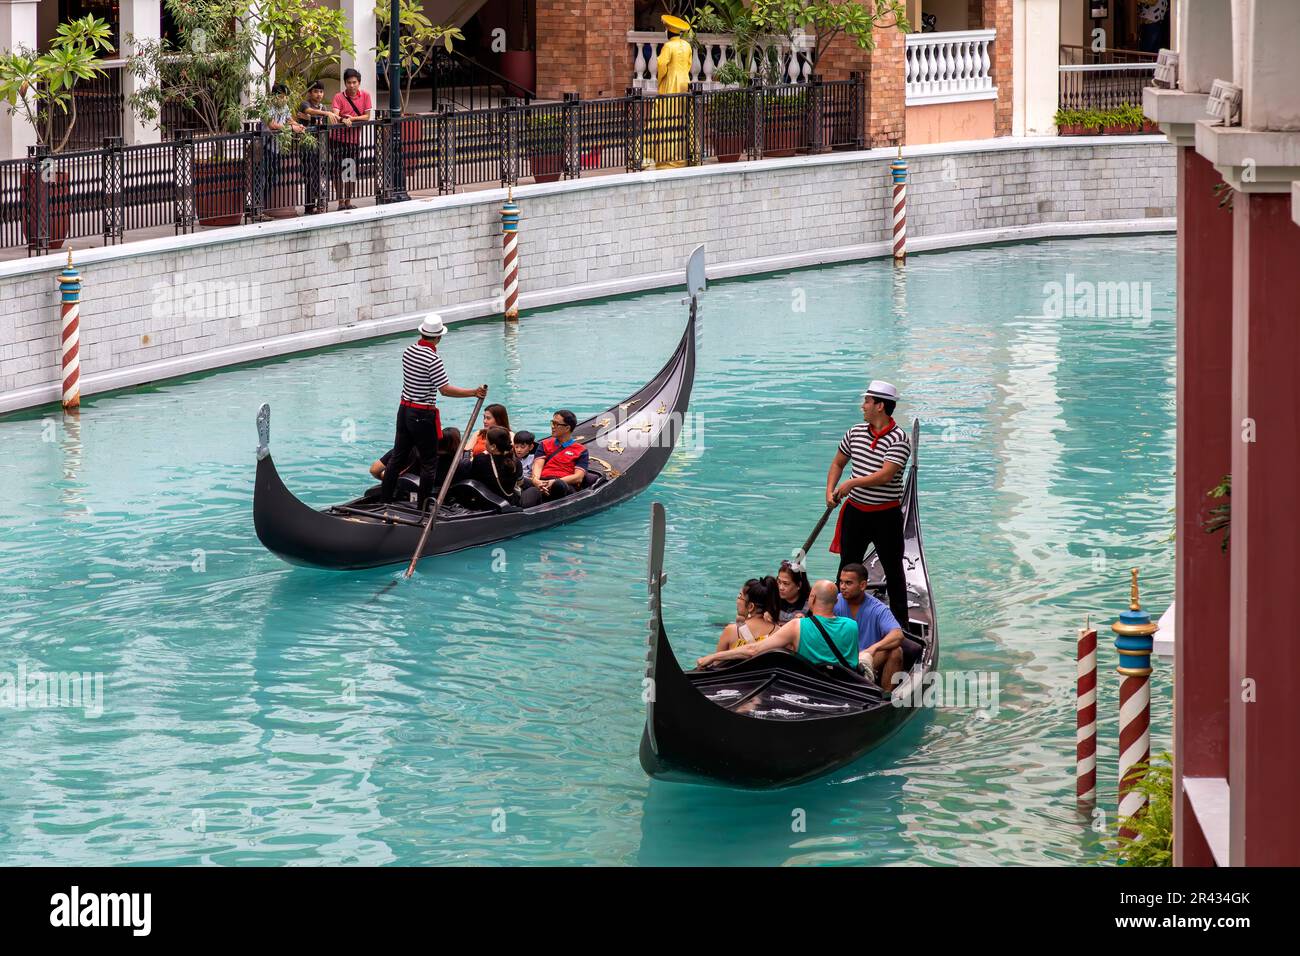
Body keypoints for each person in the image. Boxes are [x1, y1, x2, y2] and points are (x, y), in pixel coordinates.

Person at [826, 379, 912, 629]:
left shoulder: (899, 439)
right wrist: (830, 490)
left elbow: (885, 475)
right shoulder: (854, 432)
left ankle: (901, 626)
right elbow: (838, 463)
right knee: (846, 568)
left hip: (886, 516)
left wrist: (851, 484)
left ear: (880, 406)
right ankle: (837, 620)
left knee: (894, 571)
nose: (862, 406)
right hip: (856, 514)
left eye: (867, 401)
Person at [379, 313, 487, 508]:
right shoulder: (433, 359)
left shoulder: (408, 351)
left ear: (422, 332)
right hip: (422, 414)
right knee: (430, 462)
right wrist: (473, 392)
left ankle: (385, 499)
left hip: (404, 410)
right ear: (438, 337)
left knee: (398, 457)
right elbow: (445, 390)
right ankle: (423, 506)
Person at [697, 580, 860, 671]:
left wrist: (712, 657)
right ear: (837, 601)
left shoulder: (797, 626)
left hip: (812, 684)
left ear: (812, 599)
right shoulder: (853, 626)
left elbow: (753, 650)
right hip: (845, 683)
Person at [834, 562, 904, 689]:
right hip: (838, 661)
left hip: (867, 661)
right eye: (841, 582)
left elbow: (898, 635)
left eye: (848, 583)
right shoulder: (833, 602)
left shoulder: (878, 609)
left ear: (862, 585)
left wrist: (872, 649)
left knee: (896, 651)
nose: (843, 587)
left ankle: (885, 697)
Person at [520, 409, 588, 507]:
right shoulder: (544, 444)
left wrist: (554, 482)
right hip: (542, 482)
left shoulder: (581, 450)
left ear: (567, 428)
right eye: (552, 423)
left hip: (563, 484)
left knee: (558, 485)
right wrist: (536, 480)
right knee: (523, 482)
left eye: (556, 424)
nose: (552, 427)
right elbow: (538, 465)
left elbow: (578, 477)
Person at [331, 68, 373, 210]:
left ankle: (348, 201)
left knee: (350, 170)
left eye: (354, 82)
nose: (352, 85)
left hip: (354, 140)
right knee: (337, 170)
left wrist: (352, 118)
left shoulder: (365, 96)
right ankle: (340, 201)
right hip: (336, 139)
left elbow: (367, 116)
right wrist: (343, 119)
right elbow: (335, 114)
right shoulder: (338, 97)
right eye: (349, 82)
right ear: (345, 83)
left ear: (359, 83)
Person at [260, 83, 304, 214]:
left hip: (277, 148)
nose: (284, 100)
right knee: (264, 178)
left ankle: (263, 209)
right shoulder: (267, 107)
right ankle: (257, 210)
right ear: (274, 96)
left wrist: (299, 126)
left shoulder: (284, 107)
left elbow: (290, 120)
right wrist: (291, 128)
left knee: (272, 179)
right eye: (281, 97)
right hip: (266, 147)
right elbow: (272, 125)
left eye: (285, 97)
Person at [468, 426, 521, 502]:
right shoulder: (516, 461)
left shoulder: (480, 459)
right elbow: (520, 482)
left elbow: (474, 480)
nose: (485, 442)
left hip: (487, 503)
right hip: (509, 502)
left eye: (486, 440)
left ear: (493, 446)